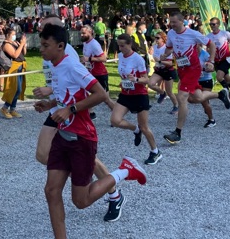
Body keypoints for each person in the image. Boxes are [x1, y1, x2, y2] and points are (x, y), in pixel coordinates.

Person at [34, 24, 147, 239]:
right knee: (51, 191)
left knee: (81, 201)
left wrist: (70, 110)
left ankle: (125, 171)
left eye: (45, 45)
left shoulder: (72, 66)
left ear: (60, 46)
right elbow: (65, 94)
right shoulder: (55, 66)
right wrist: (49, 104)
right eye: (41, 44)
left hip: (81, 139)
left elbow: (100, 94)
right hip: (62, 137)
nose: (41, 49)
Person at [161, 13, 230, 144]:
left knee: (182, 97)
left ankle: (177, 132)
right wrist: (165, 55)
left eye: (174, 22)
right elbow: (169, 48)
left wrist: (211, 61)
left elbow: (212, 45)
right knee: (195, 98)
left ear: (182, 21)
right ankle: (220, 94)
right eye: (171, 22)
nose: (172, 24)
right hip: (182, 69)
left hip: (193, 69)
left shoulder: (193, 34)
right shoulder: (171, 33)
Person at [111, 34, 162, 165]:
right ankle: (135, 129)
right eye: (119, 46)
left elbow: (146, 79)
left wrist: (136, 79)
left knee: (144, 127)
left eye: (122, 46)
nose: (120, 48)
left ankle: (155, 151)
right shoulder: (121, 56)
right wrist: (124, 82)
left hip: (139, 95)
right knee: (115, 121)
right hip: (125, 94)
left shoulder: (138, 59)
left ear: (129, 44)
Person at [80, 25, 115, 116]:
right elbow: (87, 58)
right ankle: (90, 113)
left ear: (90, 32)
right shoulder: (85, 43)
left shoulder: (94, 44)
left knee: (105, 98)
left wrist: (89, 59)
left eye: (83, 33)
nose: (81, 35)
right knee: (86, 93)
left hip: (100, 74)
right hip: (91, 73)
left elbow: (103, 58)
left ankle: (117, 113)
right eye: (81, 33)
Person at [0, 27, 27, 119]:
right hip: (13, 68)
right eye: (13, 34)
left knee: (19, 89)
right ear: (8, 35)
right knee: (15, 89)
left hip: (20, 67)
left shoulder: (15, 42)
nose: (14, 36)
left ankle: (12, 109)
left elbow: (23, 53)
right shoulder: (6, 45)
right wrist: (21, 44)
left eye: (15, 34)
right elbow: (15, 55)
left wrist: (23, 45)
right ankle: (5, 108)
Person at [147, 31, 178, 113]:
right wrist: (156, 63)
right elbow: (155, 59)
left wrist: (160, 61)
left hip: (168, 71)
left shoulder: (166, 48)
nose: (156, 39)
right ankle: (162, 93)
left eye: (158, 38)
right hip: (159, 70)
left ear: (163, 39)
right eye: (155, 38)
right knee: (150, 84)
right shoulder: (154, 47)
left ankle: (176, 106)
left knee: (169, 92)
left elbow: (172, 63)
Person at [206, 17, 230, 91]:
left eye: (213, 24)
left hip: (227, 59)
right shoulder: (208, 36)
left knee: (219, 77)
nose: (212, 26)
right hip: (216, 60)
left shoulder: (225, 33)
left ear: (218, 24)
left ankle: (227, 93)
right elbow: (207, 48)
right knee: (227, 79)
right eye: (210, 24)